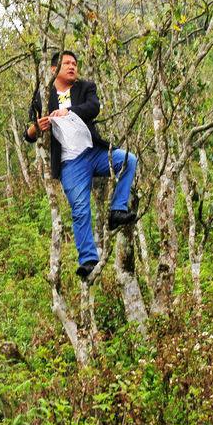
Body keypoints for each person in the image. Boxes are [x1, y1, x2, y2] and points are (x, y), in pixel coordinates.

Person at [24, 51, 137, 279]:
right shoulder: (43, 96)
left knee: (128, 160)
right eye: (67, 63)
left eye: (74, 63)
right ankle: (88, 261)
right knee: (80, 208)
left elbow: (93, 108)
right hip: (70, 163)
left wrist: (68, 112)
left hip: (93, 152)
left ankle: (117, 210)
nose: (72, 67)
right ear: (54, 69)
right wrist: (39, 126)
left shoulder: (85, 87)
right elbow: (28, 134)